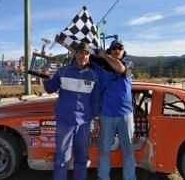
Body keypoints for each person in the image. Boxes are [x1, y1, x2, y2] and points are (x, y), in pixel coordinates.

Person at [41, 42, 101, 180]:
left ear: (89, 57)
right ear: (75, 54)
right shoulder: (63, 71)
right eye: (80, 53)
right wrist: (44, 77)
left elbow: (95, 99)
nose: (83, 56)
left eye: (86, 54)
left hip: (84, 123)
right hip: (65, 121)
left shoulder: (93, 75)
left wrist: (97, 119)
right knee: (62, 157)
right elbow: (50, 88)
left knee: (82, 157)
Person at [96, 39, 136, 180]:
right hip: (106, 114)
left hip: (126, 114)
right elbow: (82, 55)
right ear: (110, 50)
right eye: (114, 48)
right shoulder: (100, 65)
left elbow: (120, 69)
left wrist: (104, 55)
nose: (117, 50)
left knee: (129, 150)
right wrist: (64, 43)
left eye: (120, 48)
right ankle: (103, 177)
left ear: (124, 51)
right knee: (104, 150)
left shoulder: (128, 63)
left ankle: (130, 177)